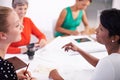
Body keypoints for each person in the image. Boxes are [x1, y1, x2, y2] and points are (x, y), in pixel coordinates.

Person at [62, 8, 120, 80]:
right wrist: (78, 50)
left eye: (101, 29)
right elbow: (100, 64)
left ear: (114, 38)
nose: (96, 30)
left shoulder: (108, 63)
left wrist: (57, 77)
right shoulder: (112, 60)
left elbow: (105, 65)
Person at [0, 6, 36, 80]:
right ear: (3, 35)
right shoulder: (4, 67)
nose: (22, 27)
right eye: (17, 25)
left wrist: (13, 75)